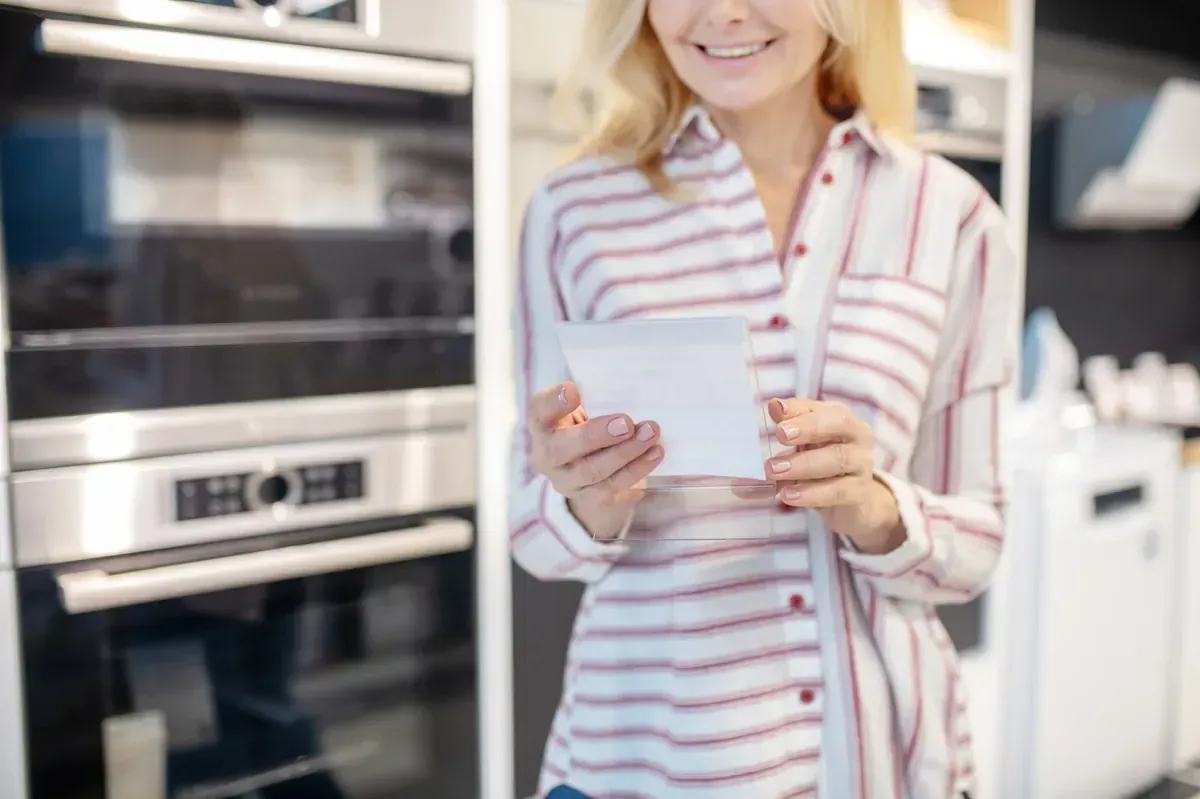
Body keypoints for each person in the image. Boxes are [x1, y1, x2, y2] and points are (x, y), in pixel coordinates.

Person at [509, 0, 1015, 796]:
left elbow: (978, 541)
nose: (721, 12)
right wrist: (587, 495)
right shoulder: (572, 212)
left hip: (878, 761)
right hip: (645, 757)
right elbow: (532, 531)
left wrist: (874, 505)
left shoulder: (951, 217)